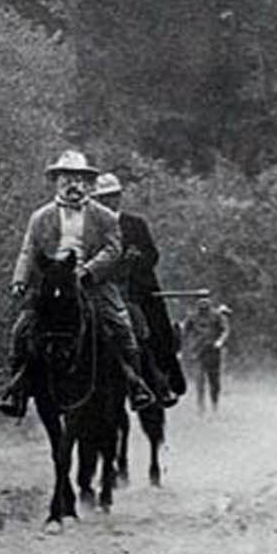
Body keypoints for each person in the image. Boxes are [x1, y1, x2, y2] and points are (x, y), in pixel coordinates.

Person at [0, 149, 154, 417]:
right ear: (56, 181)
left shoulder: (104, 216)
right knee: (21, 331)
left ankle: (134, 384)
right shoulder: (40, 217)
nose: (72, 184)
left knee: (121, 326)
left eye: (78, 178)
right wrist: (20, 280)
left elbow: (113, 249)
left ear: (87, 183)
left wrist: (89, 271)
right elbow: (29, 250)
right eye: (66, 178)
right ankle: (17, 389)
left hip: (93, 284)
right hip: (51, 284)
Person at [92, 172, 182, 407]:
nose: (107, 202)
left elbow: (152, 254)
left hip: (135, 288)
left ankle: (163, 382)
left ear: (119, 197)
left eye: (111, 196)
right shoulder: (91, 226)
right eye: (102, 198)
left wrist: (135, 263)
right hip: (100, 285)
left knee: (153, 327)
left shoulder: (135, 224)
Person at [182, 297, 231, 411]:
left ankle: (214, 405)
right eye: (201, 304)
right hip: (198, 352)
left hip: (213, 352)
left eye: (205, 304)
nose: (203, 307)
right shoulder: (192, 317)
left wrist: (220, 341)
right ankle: (201, 406)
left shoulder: (216, 316)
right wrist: (185, 347)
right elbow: (184, 332)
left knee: (214, 381)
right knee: (199, 380)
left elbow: (225, 330)